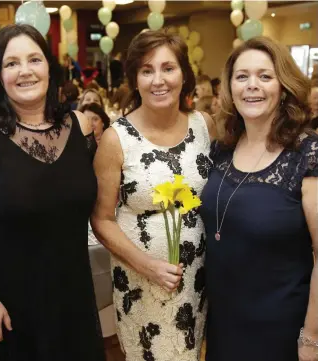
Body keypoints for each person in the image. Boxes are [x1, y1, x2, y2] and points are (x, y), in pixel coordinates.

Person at [0, 24, 105, 361]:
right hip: (10, 306)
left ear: (49, 68)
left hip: (74, 298)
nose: (24, 71)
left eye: (34, 59)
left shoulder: (80, 126)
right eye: (11, 63)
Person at [91, 29, 216, 361]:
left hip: (195, 279)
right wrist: (147, 265)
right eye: (147, 70)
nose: (158, 80)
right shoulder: (116, 139)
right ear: (134, 79)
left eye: (168, 68)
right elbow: (101, 219)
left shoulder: (205, 125)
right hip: (140, 281)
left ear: (184, 75)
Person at [200, 36, 318, 361]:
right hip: (223, 325)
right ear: (230, 88)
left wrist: (312, 338)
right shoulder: (221, 150)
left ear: (284, 86)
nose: (252, 86)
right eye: (242, 77)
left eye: (265, 76)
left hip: (282, 329)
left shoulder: (308, 155)